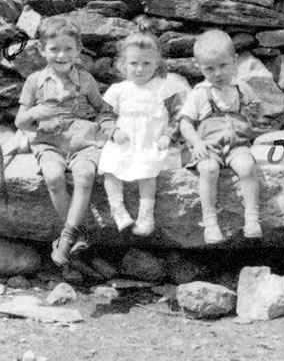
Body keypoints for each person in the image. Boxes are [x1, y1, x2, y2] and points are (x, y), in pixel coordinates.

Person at [14, 16, 111, 266]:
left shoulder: (86, 80)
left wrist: (109, 126)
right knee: (54, 178)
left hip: (81, 141)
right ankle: (77, 234)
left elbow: (103, 109)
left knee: (85, 175)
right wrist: (35, 113)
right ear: (42, 50)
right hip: (48, 142)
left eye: (68, 49)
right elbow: (20, 122)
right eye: (54, 49)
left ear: (78, 50)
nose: (61, 55)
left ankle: (67, 237)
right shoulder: (34, 81)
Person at [98, 31, 190, 236]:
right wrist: (113, 131)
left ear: (157, 63)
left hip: (151, 142)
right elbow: (105, 116)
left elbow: (179, 116)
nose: (140, 69)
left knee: (148, 170)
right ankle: (118, 209)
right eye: (134, 64)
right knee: (110, 167)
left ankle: (146, 214)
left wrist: (169, 135)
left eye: (146, 64)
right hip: (124, 142)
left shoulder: (165, 88)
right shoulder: (118, 90)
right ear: (123, 64)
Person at [179, 29, 263, 244]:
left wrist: (254, 111)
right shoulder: (199, 93)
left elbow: (257, 111)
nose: (217, 73)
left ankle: (252, 218)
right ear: (199, 68)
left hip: (237, 145)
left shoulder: (242, 88)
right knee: (209, 169)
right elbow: (185, 123)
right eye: (210, 68)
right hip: (209, 146)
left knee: (247, 167)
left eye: (223, 66)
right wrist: (196, 142)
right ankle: (210, 221)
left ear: (234, 61)